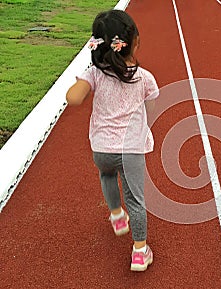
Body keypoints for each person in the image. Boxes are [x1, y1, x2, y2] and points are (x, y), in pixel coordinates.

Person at [66, 9, 158, 272]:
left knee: (106, 176)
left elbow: (73, 98)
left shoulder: (94, 73)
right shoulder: (144, 78)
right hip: (130, 150)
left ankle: (117, 215)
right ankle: (139, 251)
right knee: (137, 201)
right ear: (135, 42)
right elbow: (151, 109)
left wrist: (80, 82)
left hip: (102, 149)